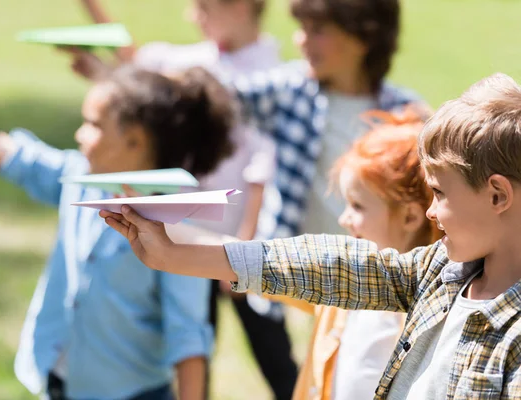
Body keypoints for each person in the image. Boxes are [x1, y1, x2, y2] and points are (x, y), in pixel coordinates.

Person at [100, 72, 521, 398]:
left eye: (441, 193)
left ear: (498, 194)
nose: (432, 210)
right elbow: (324, 266)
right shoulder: (438, 275)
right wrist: (171, 255)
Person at [0, 65, 234, 400]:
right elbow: (8, 153)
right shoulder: (78, 178)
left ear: (134, 141)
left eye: (93, 125)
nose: (79, 134)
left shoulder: (174, 226)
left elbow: (188, 341)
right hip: (58, 382)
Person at [74, 2, 300, 398]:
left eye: (204, 7)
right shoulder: (194, 60)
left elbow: (263, 167)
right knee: (195, 343)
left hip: (239, 248)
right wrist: (94, 15)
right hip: (185, 241)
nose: (193, 17)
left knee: (273, 354)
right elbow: (136, 71)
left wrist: (247, 243)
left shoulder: (269, 76)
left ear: (242, 7)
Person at [268, 108, 442, 400]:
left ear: (411, 217)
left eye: (358, 207)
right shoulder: (344, 286)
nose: (344, 219)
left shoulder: (434, 309)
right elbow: (277, 267)